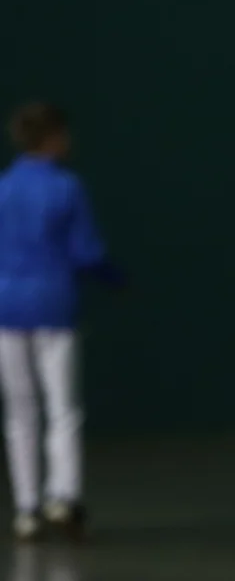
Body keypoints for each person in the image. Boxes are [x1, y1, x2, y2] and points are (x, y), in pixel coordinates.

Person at [0, 101, 126, 542]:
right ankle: (63, 497)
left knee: (19, 410)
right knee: (62, 409)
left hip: (6, 308)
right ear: (53, 137)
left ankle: (26, 508)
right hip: (54, 306)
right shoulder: (66, 186)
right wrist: (115, 278)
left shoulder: (3, 188)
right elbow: (86, 253)